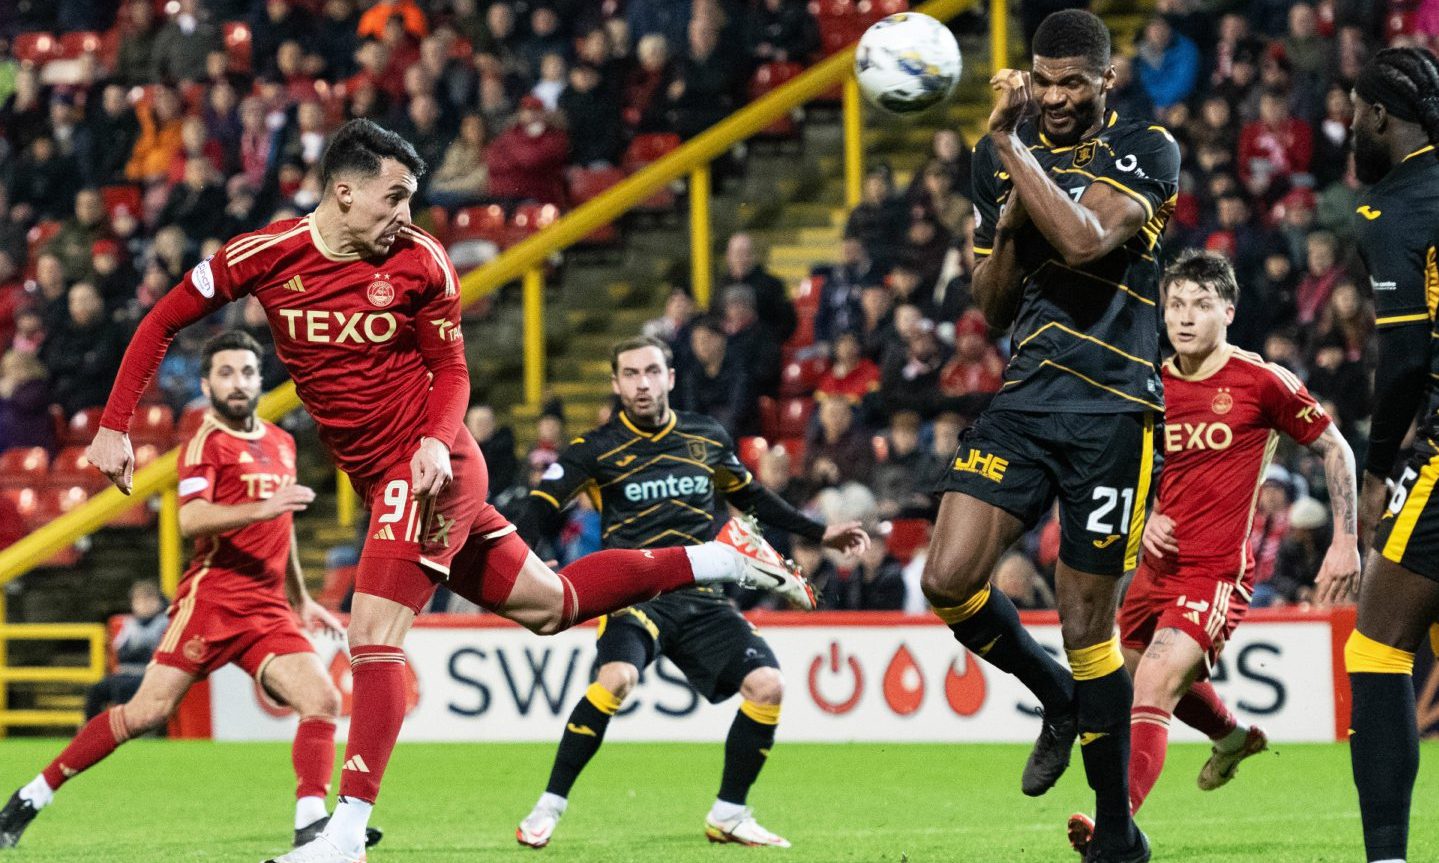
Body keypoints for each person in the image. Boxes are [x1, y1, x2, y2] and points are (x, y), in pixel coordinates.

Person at [67, 120, 810, 863]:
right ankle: (718, 557)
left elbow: (451, 371)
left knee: (372, 637)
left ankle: (346, 834)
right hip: (386, 473)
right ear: (343, 191)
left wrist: (429, 441)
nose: (405, 213)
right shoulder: (264, 255)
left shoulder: (422, 261)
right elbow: (162, 318)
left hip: (432, 464)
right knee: (551, 606)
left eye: (411, 197)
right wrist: (113, 425)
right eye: (392, 197)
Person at [920, 11, 1179, 863]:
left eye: (1074, 82)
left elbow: (1080, 237)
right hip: (1026, 396)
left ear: (1105, 81)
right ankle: (1055, 694)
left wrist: (1012, 154)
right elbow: (991, 306)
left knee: (1087, 623)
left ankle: (1115, 833)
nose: (1057, 97)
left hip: (1111, 411)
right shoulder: (994, 158)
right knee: (947, 579)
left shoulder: (1145, 148)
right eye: (1045, 80)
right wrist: (1002, 209)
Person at [0, 331, 373, 853]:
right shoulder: (205, 445)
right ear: (207, 384)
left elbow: (283, 528)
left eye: (247, 371)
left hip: (267, 608)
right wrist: (264, 507)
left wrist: (303, 598)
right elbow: (193, 519)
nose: (238, 382)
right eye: (226, 373)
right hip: (212, 601)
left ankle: (310, 822)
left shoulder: (282, 443)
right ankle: (32, 795)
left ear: (259, 378)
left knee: (323, 698)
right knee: (145, 712)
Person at [513, 336, 869, 849]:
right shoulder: (596, 448)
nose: (642, 383)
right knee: (616, 678)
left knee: (768, 686)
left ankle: (729, 812)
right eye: (631, 374)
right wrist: (528, 560)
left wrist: (819, 532)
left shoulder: (705, 437)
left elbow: (751, 498)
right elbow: (537, 508)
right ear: (615, 384)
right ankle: (549, 806)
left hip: (700, 596)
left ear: (671, 377)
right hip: (635, 596)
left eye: (652, 372)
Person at [1065, 251, 1359, 853]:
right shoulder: (1149, 382)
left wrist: (1346, 541)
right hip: (1153, 570)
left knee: (1149, 686)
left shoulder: (1262, 381)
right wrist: (1143, 517)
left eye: (1201, 305)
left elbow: (1336, 449)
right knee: (1139, 677)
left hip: (1215, 570)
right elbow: (1120, 465)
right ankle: (1231, 738)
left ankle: (1115, 823)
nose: (1185, 318)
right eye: (1175, 305)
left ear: (1228, 310)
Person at [1345, 47, 1439, 863]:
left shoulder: (1392, 207)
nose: (1346, 124)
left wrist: (1376, 468)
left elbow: (1405, 360)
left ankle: (1385, 858)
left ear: (1378, 114)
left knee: (1375, 648)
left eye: (1352, 108)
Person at [84, 580, 169, 720]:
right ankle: (91, 728)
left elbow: (157, 655)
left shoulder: (164, 622)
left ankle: (123, 729)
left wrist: (137, 652)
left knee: (123, 688)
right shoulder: (129, 624)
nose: (144, 605)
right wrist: (139, 651)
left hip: (148, 674)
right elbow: (121, 653)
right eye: (140, 600)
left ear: (158, 601)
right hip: (125, 672)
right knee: (97, 689)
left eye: (149, 600)